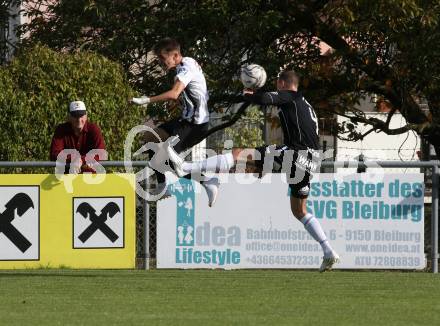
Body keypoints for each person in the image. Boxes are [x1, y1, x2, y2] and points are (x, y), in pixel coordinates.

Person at [166, 70, 340, 272]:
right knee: (299, 210)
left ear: (282, 83)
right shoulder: (304, 103)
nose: (277, 89)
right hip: (311, 160)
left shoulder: (290, 95)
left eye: (277, 85)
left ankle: (186, 167)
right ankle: (328, 251)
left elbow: (265, 99)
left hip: (296, 153)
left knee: (239, 153)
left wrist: (248, 94)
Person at [130, 37, 218, 205]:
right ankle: (162, 186)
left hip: (195, 126)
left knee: (171, 162)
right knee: (150, 139)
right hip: (185, 120)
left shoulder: (185, 68)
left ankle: (207, 181)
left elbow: (173, 94)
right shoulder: (185, 64)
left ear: (175, 55)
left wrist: (144, 100)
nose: (162, 63)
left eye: (163, 59)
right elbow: (187, 93)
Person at [50, 100, 106, 173]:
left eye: (81, 115)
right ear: (69, 117)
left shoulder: (94, 129)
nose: (79, 120)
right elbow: (54, 154)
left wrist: (80, 160)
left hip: (91, 178)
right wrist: (74, 158)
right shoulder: (61, 130)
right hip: (65, 178)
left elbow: (100, 153)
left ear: (86, 116)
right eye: (75, 116)